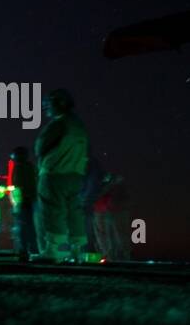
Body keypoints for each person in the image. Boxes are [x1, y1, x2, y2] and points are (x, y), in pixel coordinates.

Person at [33, 88, 89, 262]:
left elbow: (39, 147)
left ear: (60, 103)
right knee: (74, 211)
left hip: (55, 173)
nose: (46, 108)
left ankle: (54, 250)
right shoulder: (79, 124)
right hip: (76, 174)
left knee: (52, 210)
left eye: (48, 104)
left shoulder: (59, 123)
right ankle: (78, 250)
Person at [8, 146, 38, 261]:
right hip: (30, 200)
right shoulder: (31, 167)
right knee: (30, 226)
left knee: (22, 226)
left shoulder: (20, 168)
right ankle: (32, 249)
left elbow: (19, 185)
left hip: (23, 201)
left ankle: (24, 250)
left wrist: (16, 202)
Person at [93, 173, 131, 261]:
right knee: (113, 235)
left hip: (109, 210)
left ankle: (120, 258)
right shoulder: (112, 182)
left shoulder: (107, 182)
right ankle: (113, 258)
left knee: (115, 235)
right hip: (106, 209)